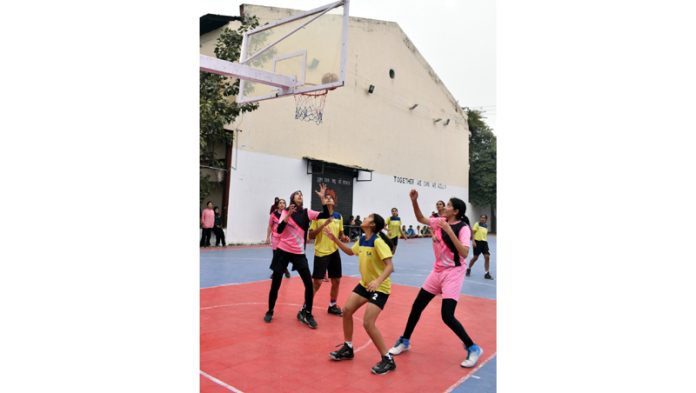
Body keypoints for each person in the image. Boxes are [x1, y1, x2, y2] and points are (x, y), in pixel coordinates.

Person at [389, 190, 484, 369]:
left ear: (455, 211)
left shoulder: (463, 227)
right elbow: (420, 218)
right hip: (437, 271)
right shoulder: (439, 221)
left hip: (454, 273)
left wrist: (449, 231)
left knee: (447, 315)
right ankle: (405, 340)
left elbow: (464, 253)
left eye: (448, 205)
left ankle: (473, 348)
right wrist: (414, 201)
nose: (444, 207)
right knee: (417, 306)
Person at [323, 213, 397, 375]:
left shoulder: (378, 242)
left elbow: (390, 266)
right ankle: (348, 348)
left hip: (380, 287)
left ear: (372, 225)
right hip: (365, 285)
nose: (364, 218)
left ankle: (388, 359)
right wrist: (335, 240)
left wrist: (377, 281)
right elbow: (351, 252)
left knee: (368, 323)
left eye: (368, 217)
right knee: (347, 310)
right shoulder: (363, 239)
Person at [264, 184, 330, 328]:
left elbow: (326, 215)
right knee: (276, 283)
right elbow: (280, 230)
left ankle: (308, 313)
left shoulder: (307, 212)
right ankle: (270, 310)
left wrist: (323, 199)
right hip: (282, 250)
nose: (300, 195)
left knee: (308, 284)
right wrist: (287, 216)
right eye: (297, 194)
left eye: (301, 194)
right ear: (292, 198)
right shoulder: (285, 212)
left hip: (299, 253)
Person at [308, 188, 349, 316]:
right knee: (317, 283)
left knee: (336, 280)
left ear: (334, 201)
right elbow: (311, 235)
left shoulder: (338, 216)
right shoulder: (318, 216)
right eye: (327, 197)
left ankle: (332, 305)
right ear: (323, 200)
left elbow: (341, 233)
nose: (329, 198)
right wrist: (323, 224)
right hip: (321, 252)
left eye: (331, 197)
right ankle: (305, 307)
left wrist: (344, 237)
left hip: (334, 252)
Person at [266, 198, 291, 279]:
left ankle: (285, 269)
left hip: (285, 238)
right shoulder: (273, 214)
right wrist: (267, 237)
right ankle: (275, 272)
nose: (282, 204)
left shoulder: (288, 214)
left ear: (285, 205)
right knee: (276, 256)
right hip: (275, 238)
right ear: (278, 205)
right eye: (280, 203)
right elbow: (270, 226)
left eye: (283, 203)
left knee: (284, 256)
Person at [467, 214, 493, 279]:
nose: (482, 219)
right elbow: (472, 232)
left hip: (484, 243)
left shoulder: (486, 226)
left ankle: (486, 273)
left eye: (484, 218)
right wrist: (473, 241)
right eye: (481, 218)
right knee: (475, 258)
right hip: (477, 242)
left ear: (486, 219)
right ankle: (469, 268)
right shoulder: (477, 224)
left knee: (487, 257)